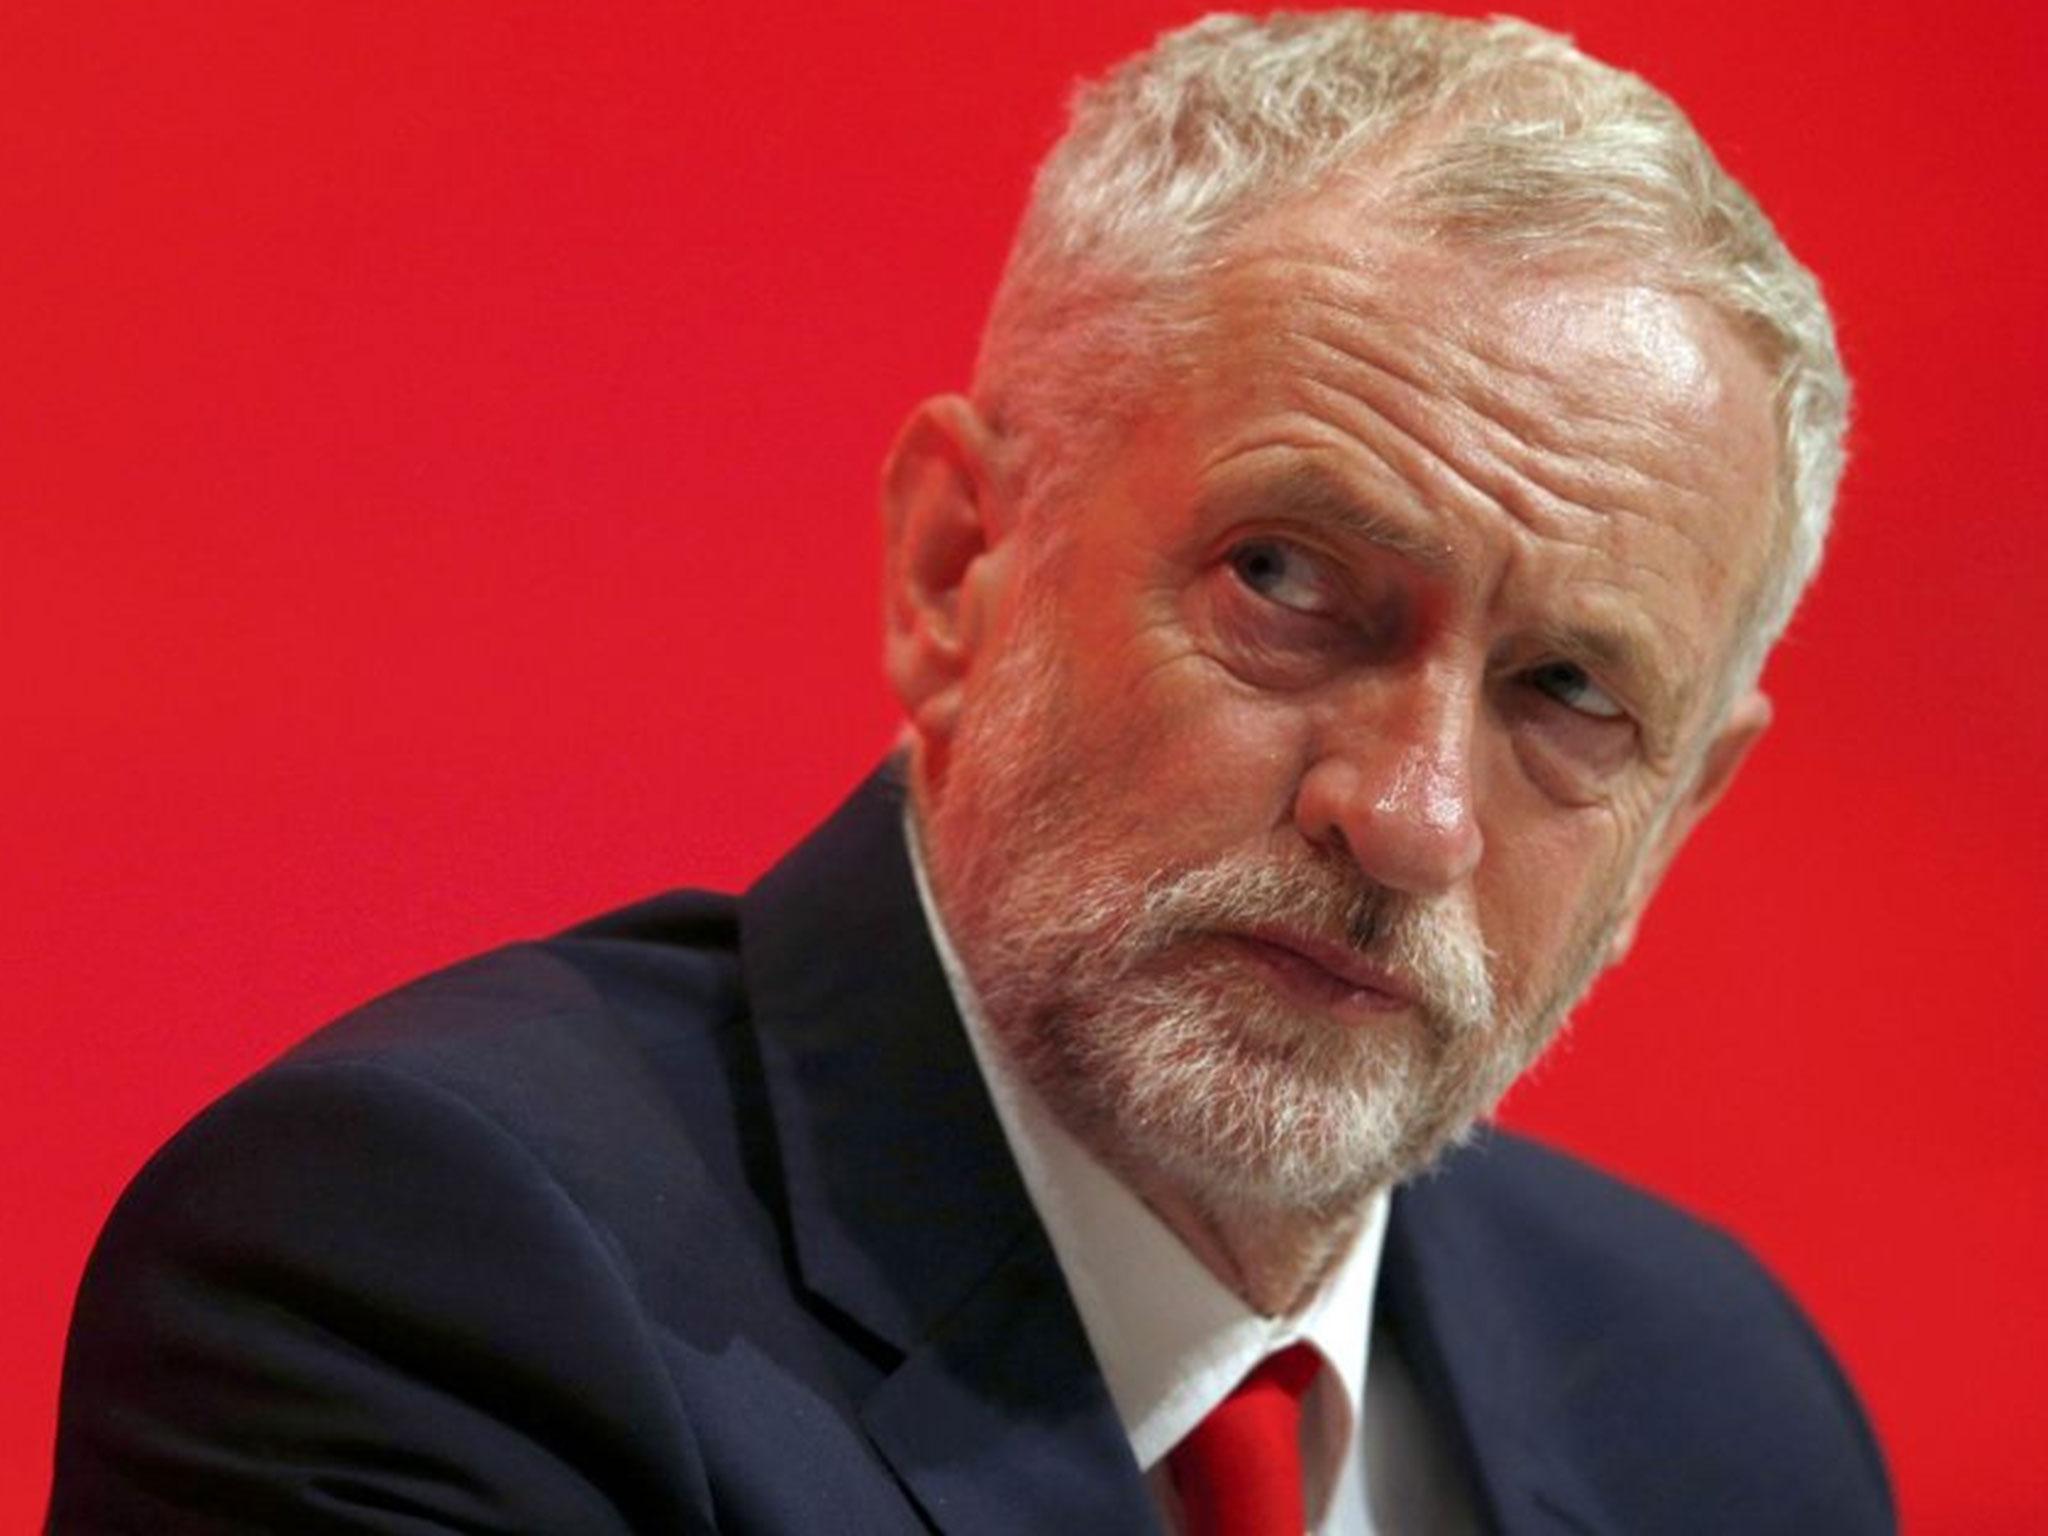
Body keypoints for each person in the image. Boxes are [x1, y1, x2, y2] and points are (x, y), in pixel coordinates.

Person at [50, 11, 1893, 1534]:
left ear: (1680, 814)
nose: (1405, 817)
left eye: (1569, 691)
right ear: (959, 567)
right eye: (1288, 582)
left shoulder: (1722, 1409)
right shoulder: (420, 1280)